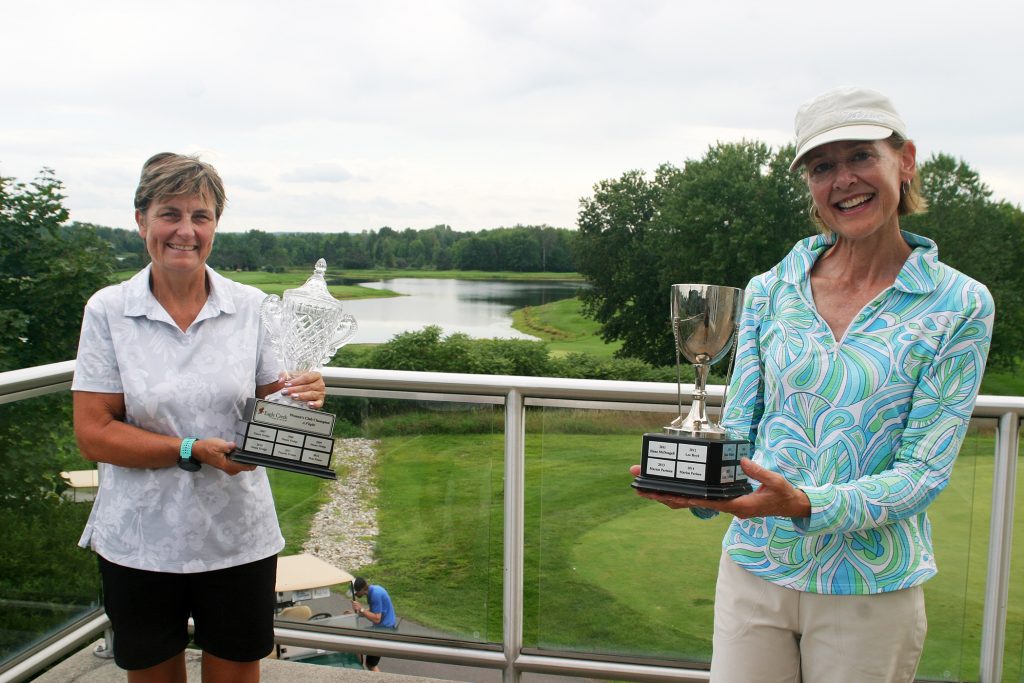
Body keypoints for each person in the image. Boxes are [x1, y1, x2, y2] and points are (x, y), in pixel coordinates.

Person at [631, 86, 994, 682]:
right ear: (810, 187)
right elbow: (740, 429)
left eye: (860, 156)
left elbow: (923, 472)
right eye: (823, 166)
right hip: (755, 569)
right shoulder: (773, 288)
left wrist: (804, 503)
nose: (843, 179)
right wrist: (700, 491)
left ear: (904, 162)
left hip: (871, 587)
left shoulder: (960, 303)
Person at [72, 152, 327, 683]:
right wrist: (189, 450)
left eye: (201, 216)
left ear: (215, 226)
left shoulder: (253, 306)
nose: (185, 231)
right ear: (141, 220)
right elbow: (93, 433)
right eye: (170, 213)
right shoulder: (108, 310)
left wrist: (304, 395)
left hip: (236, 534)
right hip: (139, 538)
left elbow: (274, 404)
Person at [351, 576, 397, 671]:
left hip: (384, 631)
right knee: (356, 642)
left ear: (362, 590)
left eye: (356, 592)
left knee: (371, 665)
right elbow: (374, 611)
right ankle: (360, 670)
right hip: (380, 628)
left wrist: (361, 609)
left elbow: (376, 619)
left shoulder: (375, 594)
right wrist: (357, 614)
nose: (355, 595)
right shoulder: (373, 590)